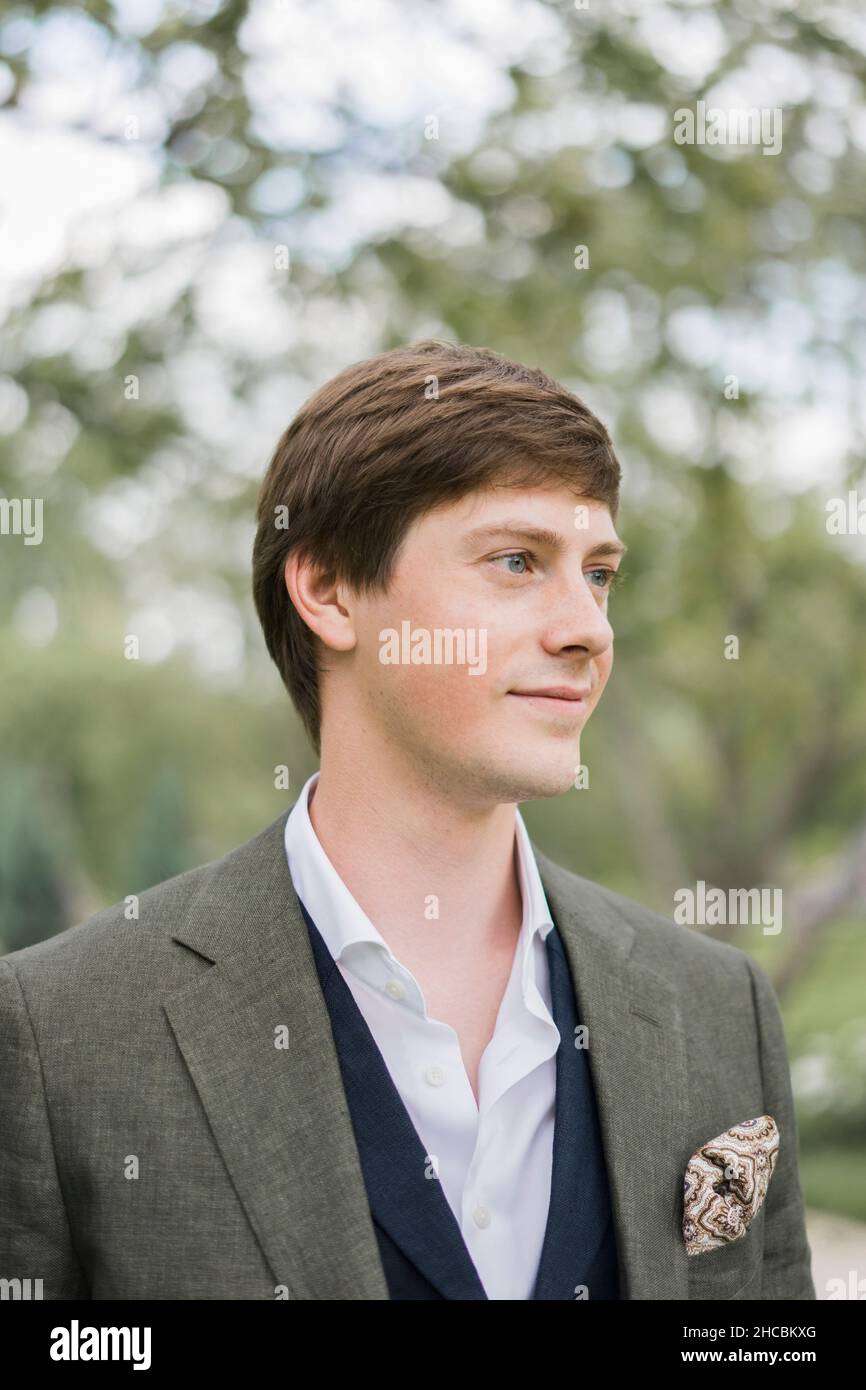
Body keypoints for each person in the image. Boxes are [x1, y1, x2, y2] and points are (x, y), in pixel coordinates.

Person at [0, 340, 815, 1300]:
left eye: (598, 573)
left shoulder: (718, 1008)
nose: (587, 628)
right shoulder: (62, 1034)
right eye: (518, 561)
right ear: (330, 590)